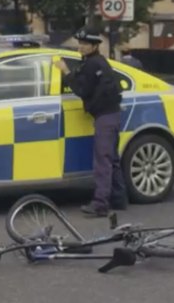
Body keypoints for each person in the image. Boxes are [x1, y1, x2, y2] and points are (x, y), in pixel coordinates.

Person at [54, 26, 128, 217]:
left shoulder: (93, 64)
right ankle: (119, 199)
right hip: (111, 114)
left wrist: (65, 71)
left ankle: (100, 204)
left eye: (85, 44)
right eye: (80, 43)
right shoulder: (96, 62)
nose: (81, 47)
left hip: (105, 116)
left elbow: (81, 89)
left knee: (103, 160)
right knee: (112, 158)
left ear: (95, 45)